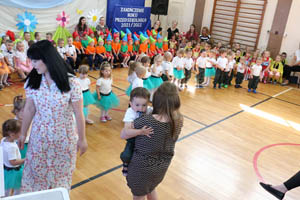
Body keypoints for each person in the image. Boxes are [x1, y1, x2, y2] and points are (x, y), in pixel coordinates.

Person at [19, 40, 88, 192]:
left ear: (47, 59)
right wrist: (23, 134)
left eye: (35, 61)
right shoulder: (33, 80)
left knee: (60, 179)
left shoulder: (72, 83)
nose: (33, 64)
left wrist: (82, 139)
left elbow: (78, 112)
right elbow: (29, 109)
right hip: (39, 137)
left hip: (63, 138)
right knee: (35, 176)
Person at [122, 82, 183, 200]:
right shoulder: (179, 119)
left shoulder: (145, 121)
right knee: (150, 188)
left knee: (139, 195)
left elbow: (124, 134)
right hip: (161, 166)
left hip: (141, 167)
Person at [120, 87, 153, 177]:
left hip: (144, 138)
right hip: (133, 139)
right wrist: (140, 131)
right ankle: (125, 164)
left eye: (144, 105)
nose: (141, 108)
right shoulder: (130, 112)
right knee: (127, 155)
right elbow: (127, 131)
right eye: (137, 105)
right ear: (130, 104)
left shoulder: (149, 110)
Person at [1, 119, 24, 196]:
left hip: (6, 170)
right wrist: (25, 159)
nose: (21, 134)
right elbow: (13, 162)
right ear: (12, 135)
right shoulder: (12, 147)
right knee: (17, 189)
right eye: (20, 132)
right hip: (14, 172)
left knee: (5, 189)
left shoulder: (3, 140)